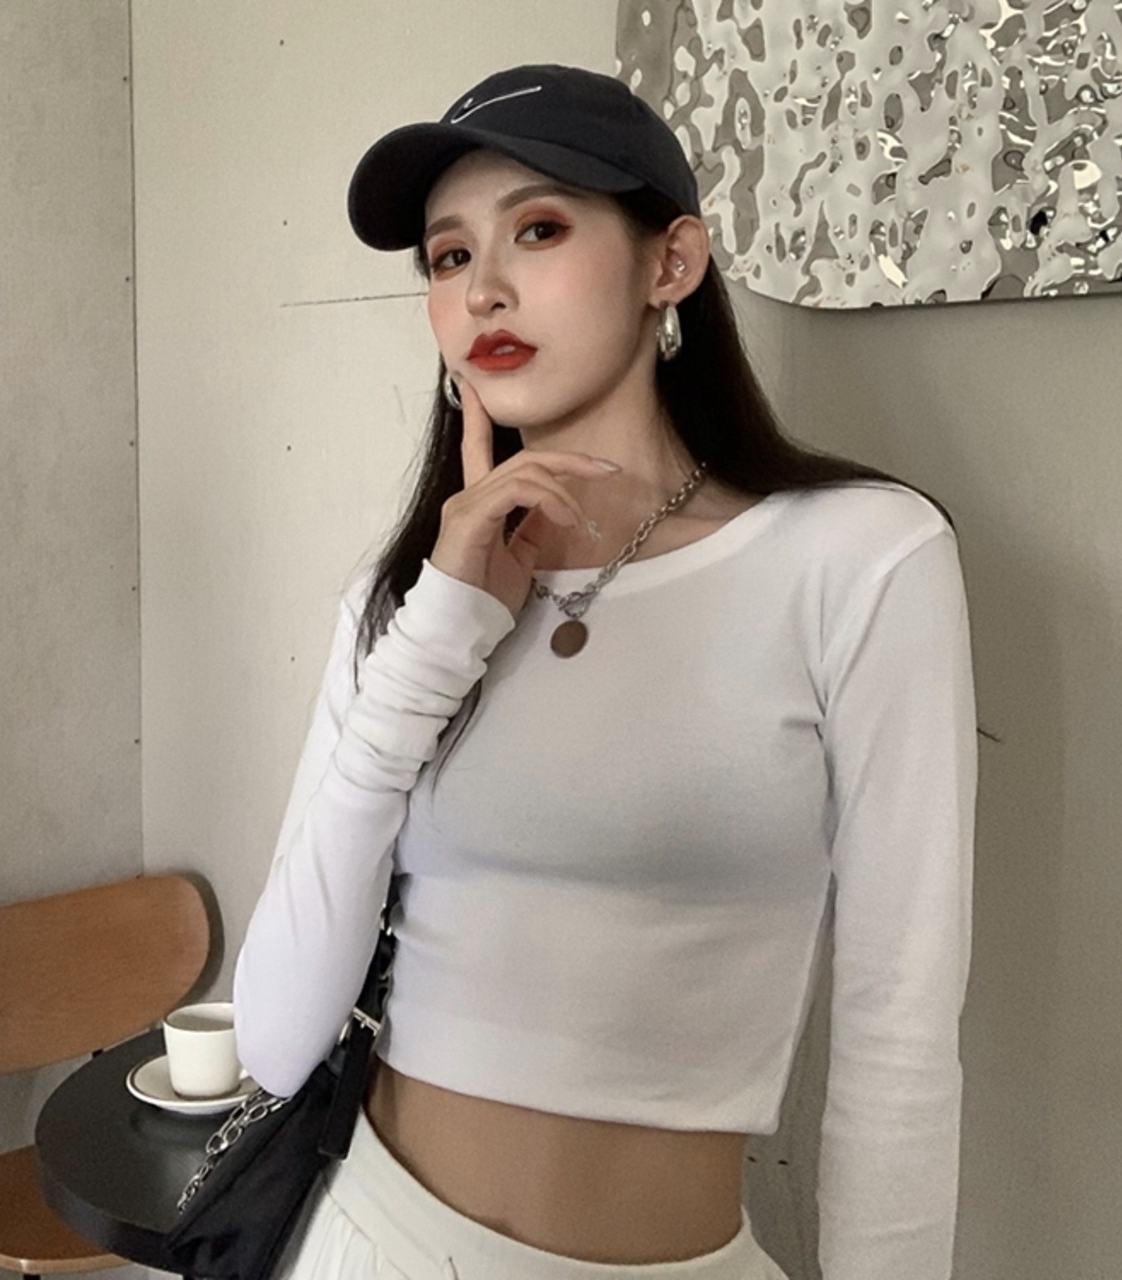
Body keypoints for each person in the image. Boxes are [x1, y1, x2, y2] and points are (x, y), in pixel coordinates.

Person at [233, 63, 977, 1280]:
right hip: (370, 1242)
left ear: (668, 262)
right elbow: (273, 1036)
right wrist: (440, 628)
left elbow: (899, 1032)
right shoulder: (404, 604)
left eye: (536, 229)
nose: (482, 288)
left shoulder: (860, 556)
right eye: (446, 256)